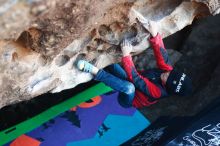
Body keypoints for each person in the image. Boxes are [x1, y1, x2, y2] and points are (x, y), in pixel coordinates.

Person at [77, 18, 192, 108]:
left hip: (129, 99)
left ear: (167, 87)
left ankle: (93, 71)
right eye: (172, 73)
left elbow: (136, 79)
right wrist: (155, 33)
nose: (168, 74)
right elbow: (162, 55)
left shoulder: (157, 92)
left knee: (129, 87)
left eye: (169, 79)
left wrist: (126, 54)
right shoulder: (168, 72)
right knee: (112, 65)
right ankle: (95, 60)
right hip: (130, 80)